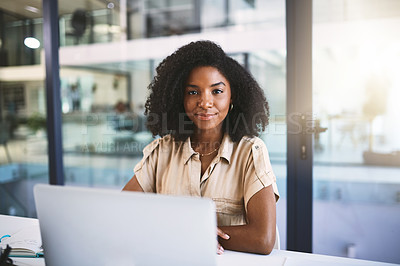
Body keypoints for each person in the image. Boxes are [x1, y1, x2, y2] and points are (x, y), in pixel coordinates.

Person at [123, 40, 279, 255]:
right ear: (180, 97)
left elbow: (263, 239)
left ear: (232, 97)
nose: (205, 102)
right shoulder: (162, 151)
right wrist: (182, 231)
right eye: (193, 92)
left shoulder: (250, 151)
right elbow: (123, 210)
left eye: (216, 91)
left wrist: (197, 233)